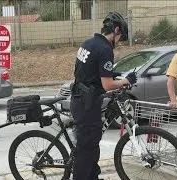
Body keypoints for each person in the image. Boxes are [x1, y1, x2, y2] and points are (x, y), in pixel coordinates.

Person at [70, 11, 137, 180]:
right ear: (116, 30)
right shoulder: (106, 49)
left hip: (80, 100)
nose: (119, 40)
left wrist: (111, 72)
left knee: (91, 146)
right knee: (86, 150)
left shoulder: (88, 43)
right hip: (87, 105)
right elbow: (107, 85)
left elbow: (84, 71)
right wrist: (125, 81)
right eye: (120, 36)